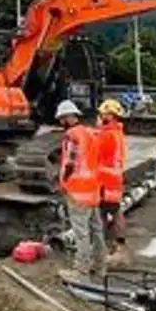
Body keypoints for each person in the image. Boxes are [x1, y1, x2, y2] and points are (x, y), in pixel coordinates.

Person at [56, 99, 106, 277]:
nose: (60, 122)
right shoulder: (90, 133)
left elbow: (69, 162)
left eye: (61, 118)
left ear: (67, 117)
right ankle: (101, 267)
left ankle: (81, 269)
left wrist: (63, 182)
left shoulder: (71, 135)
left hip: (78, 191)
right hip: (92, 190)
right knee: (97, 230)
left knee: (81, 232)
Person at [96, 98, 128, 260]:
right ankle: (114, 245)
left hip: (105, 180)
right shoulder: (117, 132)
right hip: (113, 179)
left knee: (109, 213)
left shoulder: (108, 135)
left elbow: (96, 154)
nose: (101, 117)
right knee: (113, 212)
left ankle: (115, 247)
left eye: (103, 114)